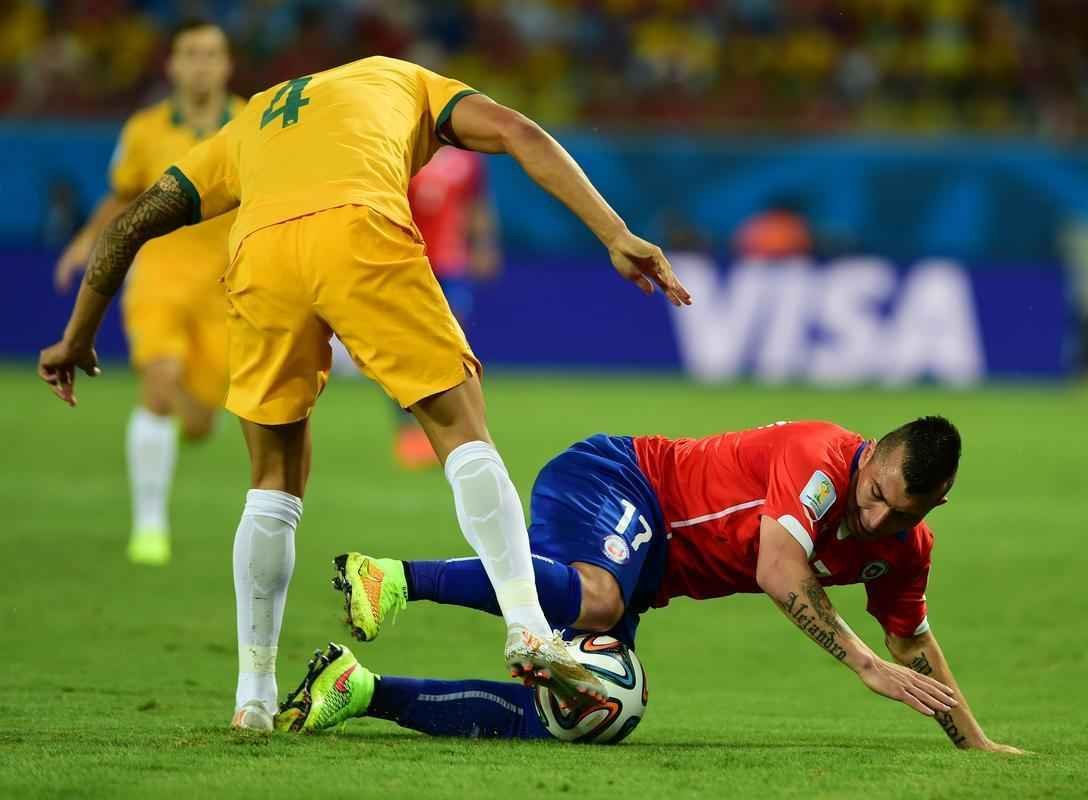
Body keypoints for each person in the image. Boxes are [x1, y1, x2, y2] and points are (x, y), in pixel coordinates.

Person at [38, 56, 692, 731]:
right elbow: (519, 132)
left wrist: (76, 337)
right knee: (460, 428)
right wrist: (615, 233)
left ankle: (254, 695)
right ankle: (528, 625)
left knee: (272, 481)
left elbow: (130, 223)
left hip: (260, 257)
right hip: (359, 229)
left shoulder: (252, 116)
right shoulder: (406, 80)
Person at [277, 417, 1022, 753]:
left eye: (903, 512)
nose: (877, 516)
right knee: (598, 597)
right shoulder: (820, 458)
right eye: (877, 492)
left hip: (647, 570)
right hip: (619, 479)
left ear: (935, 507)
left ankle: (359, 690)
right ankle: (393, 579)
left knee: (582, 715)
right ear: (875, 453)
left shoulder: (903, 550)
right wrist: (863, 664)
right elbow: (778, 570)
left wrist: (974, 741)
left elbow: (913, 643)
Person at [52, 19, 243, 566]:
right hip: (157, 279)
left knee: (200, 423)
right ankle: (150, 526)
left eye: (212, 54)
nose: (201, 64)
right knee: (158, 386)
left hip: (226, 289)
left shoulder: (253, 122)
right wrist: (85, 242)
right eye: (191, 54)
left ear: (227, 65)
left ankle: (175, 435)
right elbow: (122, 197)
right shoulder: (144, 129)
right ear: (172, 65)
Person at [395, 146, 501, 469]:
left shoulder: (468, 158)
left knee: (453, 347)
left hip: (451, 262)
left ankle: (462, 431)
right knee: (407, 348)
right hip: (409, 261)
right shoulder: (407, 149)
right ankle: (410, 432)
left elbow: (477, 204)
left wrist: (484, 245)